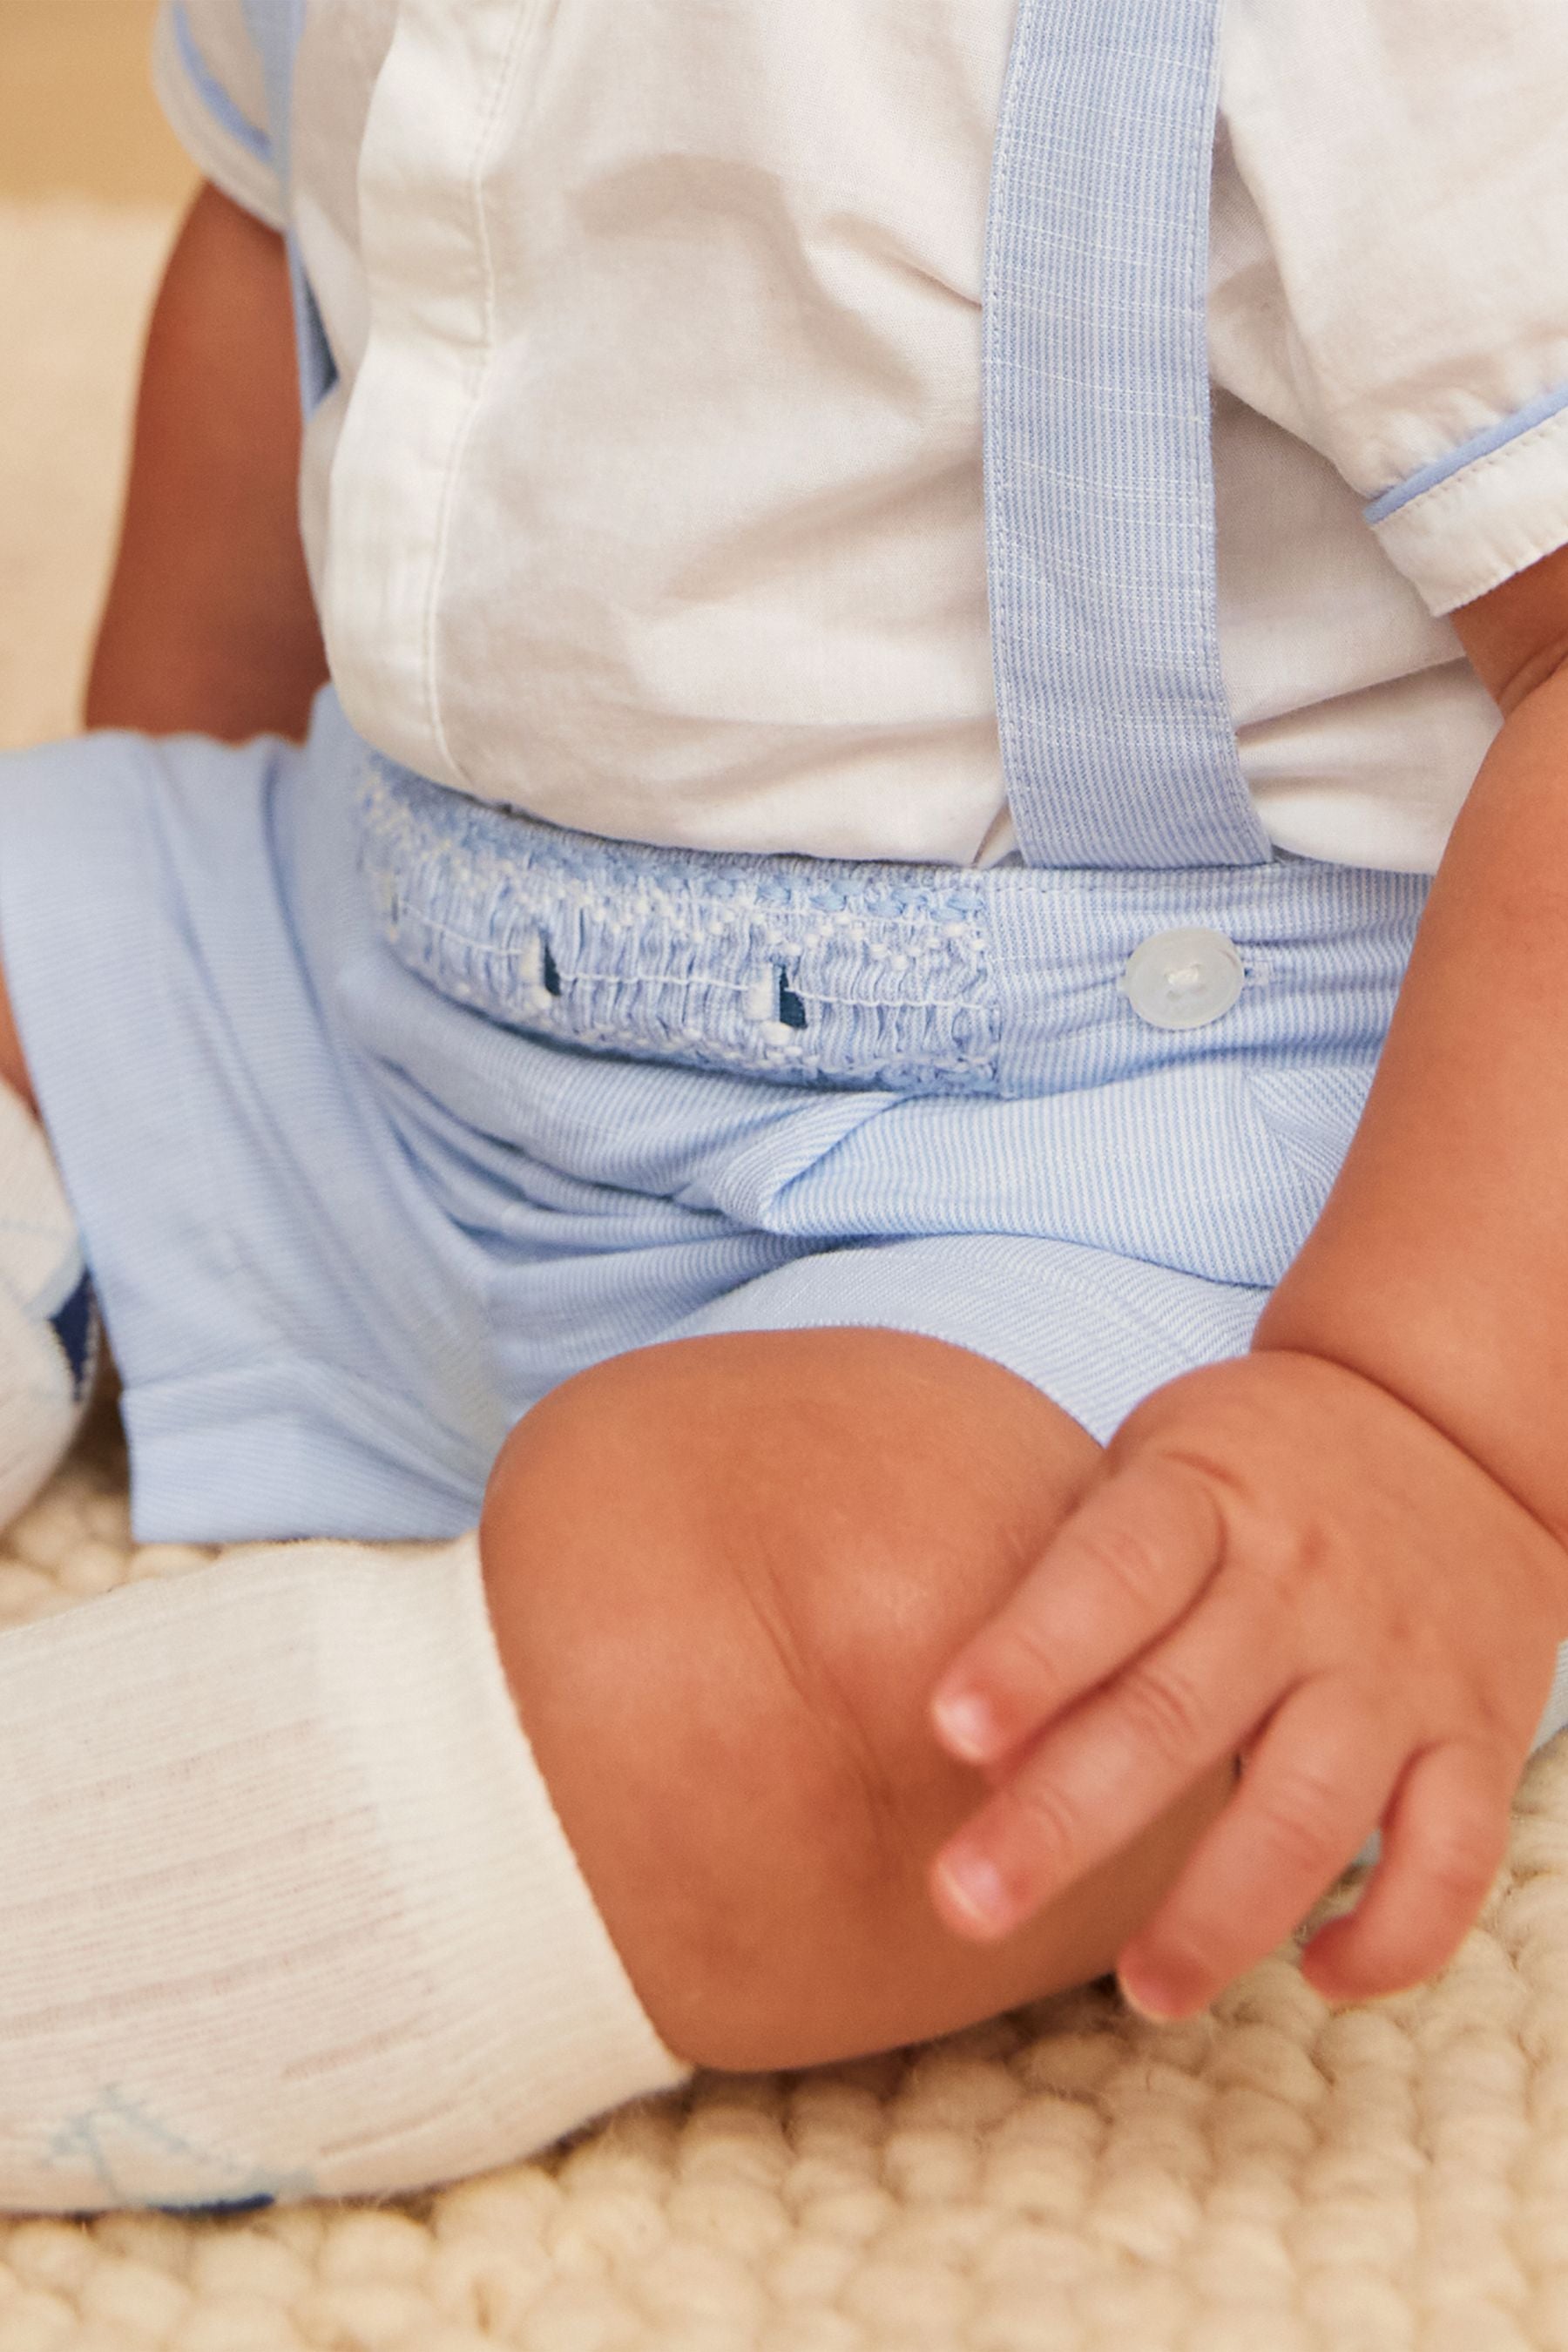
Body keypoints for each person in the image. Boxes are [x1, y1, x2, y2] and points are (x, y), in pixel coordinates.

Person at [0, 0, 1565, 2216]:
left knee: (956, 1669)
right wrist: (161, 964)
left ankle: (132, 1907)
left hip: (1120, 1163)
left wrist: (1436, 1423)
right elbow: (277, 253)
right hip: (395, 960)